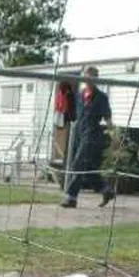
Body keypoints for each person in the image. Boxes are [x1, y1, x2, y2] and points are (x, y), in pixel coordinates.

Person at [61, 65, 115, 208]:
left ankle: (71, 198)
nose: (89, 80)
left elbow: (108, 120)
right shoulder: (79, 95)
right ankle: (105, 189)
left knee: (77, 165)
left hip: (92, 134)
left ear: (96, 79)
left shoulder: (102, 97)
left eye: (92, 78)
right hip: (79, 131)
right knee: (86, 168)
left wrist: (114, 138)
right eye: (86, 77)